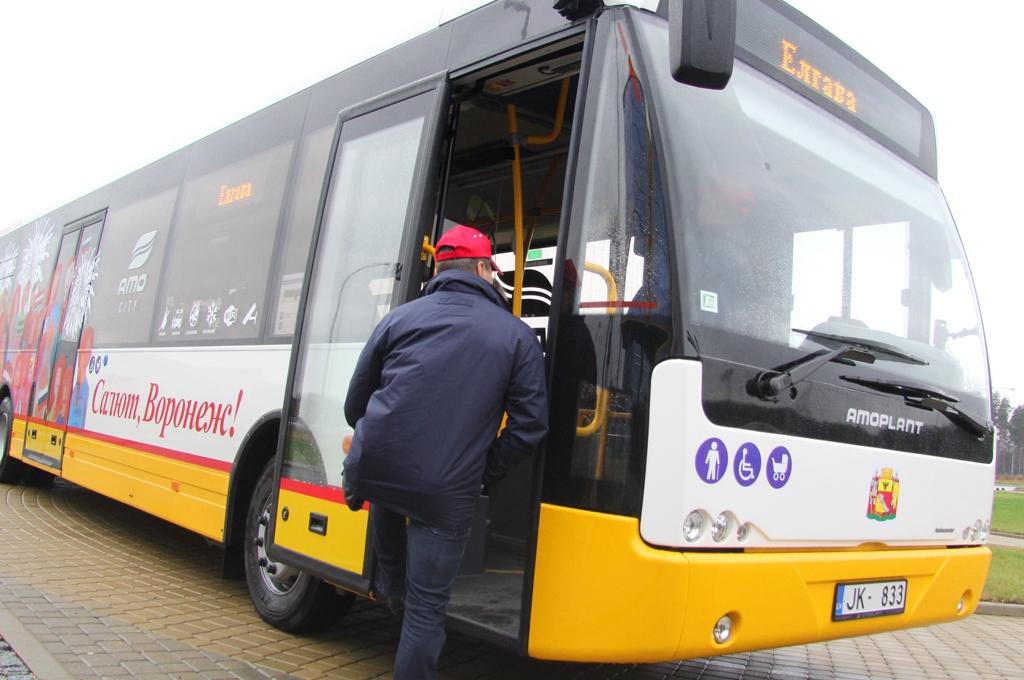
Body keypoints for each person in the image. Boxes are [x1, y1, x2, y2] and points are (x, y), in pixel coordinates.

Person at [342, 224, 548, 679]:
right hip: (445, 487)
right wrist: (480, 471)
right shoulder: (515, 336)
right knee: (426, 609)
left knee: (390, 499)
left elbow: (355, 405)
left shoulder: (399, 318)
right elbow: (531, 426)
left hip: (378, 468)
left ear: (439, 270)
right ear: (481, 269)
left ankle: (391, 586)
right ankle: (402, 601)